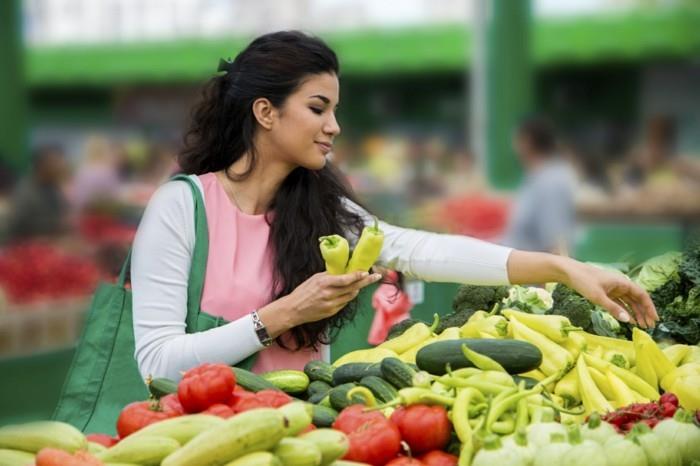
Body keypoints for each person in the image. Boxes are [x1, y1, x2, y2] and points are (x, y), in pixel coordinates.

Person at [131, 31, 657, 381]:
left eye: (335, 109)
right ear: (265, 112)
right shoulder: (181, 208)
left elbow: (420, 249)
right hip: (201, 440)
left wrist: (562, 268)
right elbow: (156, 363)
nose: (334, 126)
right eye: (318, 108)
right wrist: (286, 312)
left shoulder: (318, 210)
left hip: (304, 436)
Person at [502, 116, 578, 255]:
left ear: (527, 142)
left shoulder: (551, 182)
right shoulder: (535, 178)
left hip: (532, 273)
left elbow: (557, 243)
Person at [7, 144, 71, 241]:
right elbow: (14, 230)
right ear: (41, 166)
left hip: (51, 246)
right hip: (29, 249)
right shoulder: (26, 192)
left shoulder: (52, 187)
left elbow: (62, 218)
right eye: (56, 163)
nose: (61, 166)